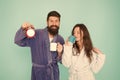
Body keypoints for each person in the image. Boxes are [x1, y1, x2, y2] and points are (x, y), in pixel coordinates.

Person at [14, 11, 64, 80]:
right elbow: (18, 41)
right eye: (51, 21)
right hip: (38, 73)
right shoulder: (36, 34)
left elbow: (61, 61)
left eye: (56, 21)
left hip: (53, 74)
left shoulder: (60, 39)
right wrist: (23, 28)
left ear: (59, 23)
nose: (54, 24)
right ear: (47, 22)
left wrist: (60, 53)